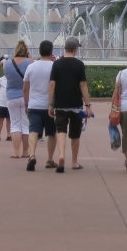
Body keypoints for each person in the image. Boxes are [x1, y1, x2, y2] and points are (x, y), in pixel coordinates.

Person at [49, 37, 91, 173]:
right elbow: (83, 85)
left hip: (60, 103)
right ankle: (74, 162)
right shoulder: (79, 64)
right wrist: (88, 104)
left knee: (60, 130)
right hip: (76, 104)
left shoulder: (56, 64)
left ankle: (61, 155)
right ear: (75, 49)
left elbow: (52, 84)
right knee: (75, 134)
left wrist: (51, 104)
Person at [23, 40, 58, 170]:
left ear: (39, 51)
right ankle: (49, 159)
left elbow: (25, 88)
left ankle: (32, 155)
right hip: (50, 106)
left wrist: (26, 104)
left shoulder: (31, 66)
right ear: (51, 51)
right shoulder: (54, 66)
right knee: (51, 133)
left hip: (34, 104)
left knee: (33, 131)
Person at [4, 40, 32, 159]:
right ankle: (25, 151)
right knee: (25, 125)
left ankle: (16, 152)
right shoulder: (30, 62)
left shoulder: (6, 63)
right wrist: (30, 58)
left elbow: (6, 76)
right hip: (26, 97)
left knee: (14, 124)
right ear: (26, 52)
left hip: (11, 96)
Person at [0, 71, 11, 141]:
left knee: (9, 119)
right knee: (1, 119)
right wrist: (0, 98)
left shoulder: (12, 79)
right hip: (2, 103)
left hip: (9, 102)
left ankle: (9, 135)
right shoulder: (1, 79)